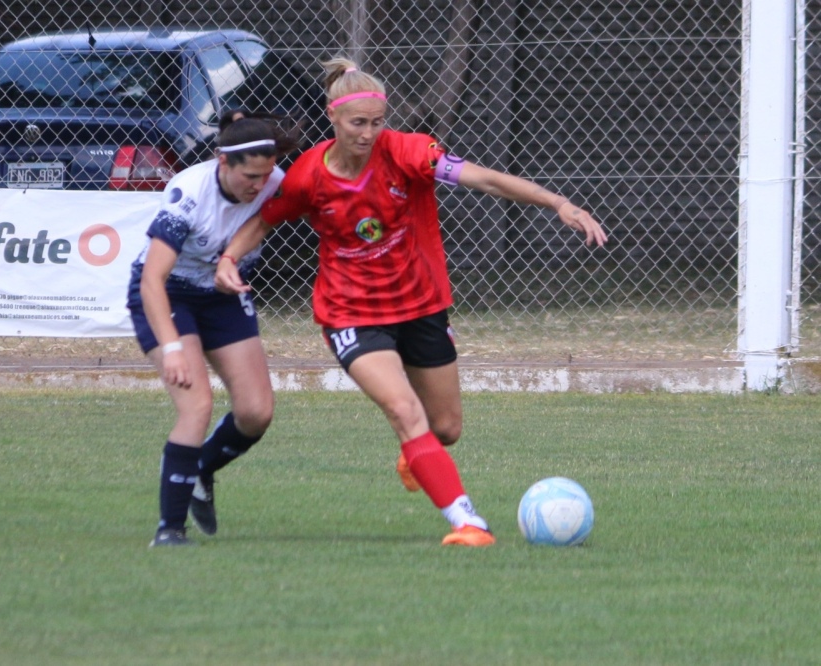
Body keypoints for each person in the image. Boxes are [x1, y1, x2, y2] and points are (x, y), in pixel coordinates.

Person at [215, 59, 607, 547]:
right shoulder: (308, 175)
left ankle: (418, 451)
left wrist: (558, 203)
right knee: (403, 408)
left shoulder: (410, 152)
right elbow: (265, 221)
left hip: (421, 305)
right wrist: (230, 256)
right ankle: (469, 523)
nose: (370, 133)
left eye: (378, 122)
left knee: (444, 427)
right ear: (333, 118)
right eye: (359, 123)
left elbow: (484, 179)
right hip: (351, 313)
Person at [127, 110, 299, 546]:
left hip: (222, 296)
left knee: (256, 413)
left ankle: (200, 471)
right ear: (223, 162)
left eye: (266, 175)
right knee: (197, 405)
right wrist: (171, 349)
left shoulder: (276, 181)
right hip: (171, 296)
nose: (260, 186)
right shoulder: (190, 191)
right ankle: (169, 530)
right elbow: (153, 280)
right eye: (250, 177)